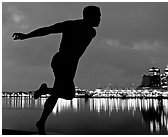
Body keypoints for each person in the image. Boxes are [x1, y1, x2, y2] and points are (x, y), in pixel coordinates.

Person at [12, 5, 101, 134]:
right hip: (62, 62)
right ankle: (41, 121)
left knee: (67, 94)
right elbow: (47, 30)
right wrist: (26, 36)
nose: (99, 19)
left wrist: (26, 36)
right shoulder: (71, 25)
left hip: (70, 64)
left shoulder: (91, 31)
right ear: (88, 16)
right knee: (60, 92)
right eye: (97, 16)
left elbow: (48, 30)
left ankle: (44, 97)